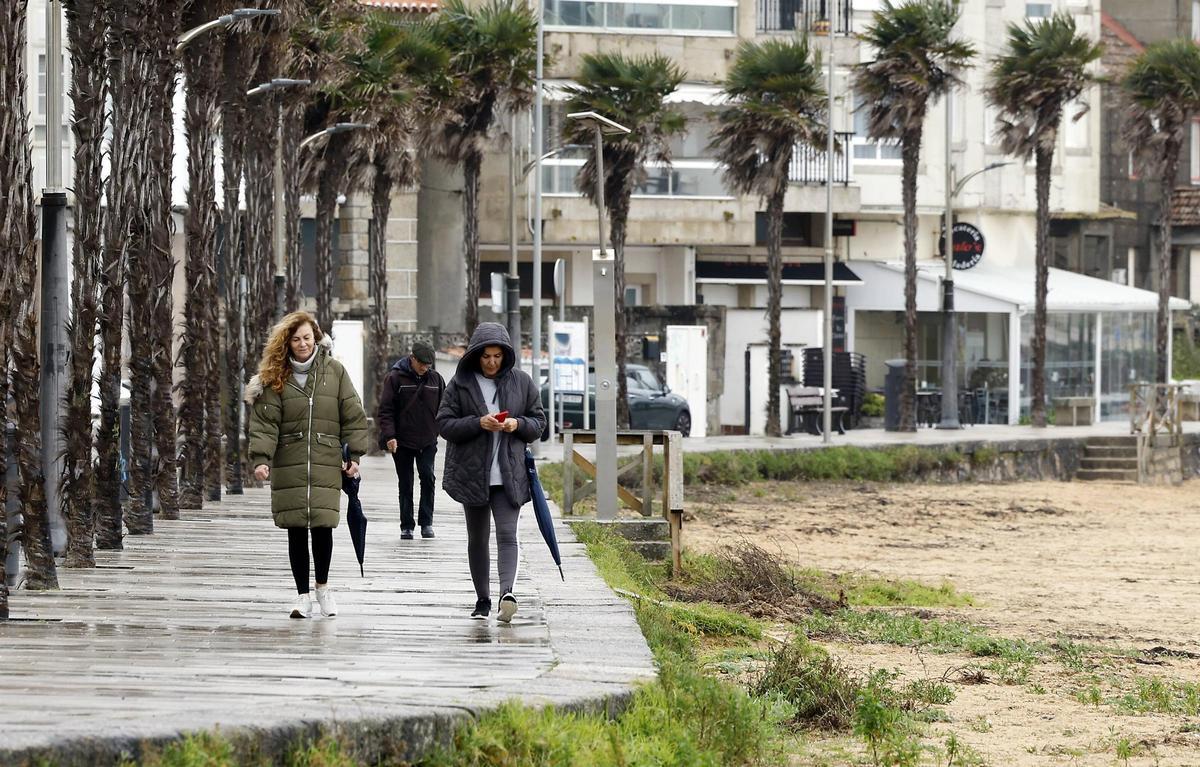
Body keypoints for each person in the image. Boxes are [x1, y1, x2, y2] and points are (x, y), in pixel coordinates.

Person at [247, 311, 368, 619]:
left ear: (317, 338)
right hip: (290, 461)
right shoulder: (275, 378)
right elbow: (265, 423)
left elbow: (352, 415)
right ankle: (302, 595)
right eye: (296, 339)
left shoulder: (335, 371)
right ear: (287, 342)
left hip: (327, 461)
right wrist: (262, 460)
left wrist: (353, 457)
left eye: (307, 338)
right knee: (296, 529)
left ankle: (323, 589)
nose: (302, 344)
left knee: (324, 526)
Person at [437, 322, 546, 622]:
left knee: (508, 534)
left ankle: (505, 595)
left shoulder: (522, 382)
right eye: (486, 356)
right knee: (478, 537)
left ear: (506, 355)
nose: (492, 362)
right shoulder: (459, 384)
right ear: (476, 355)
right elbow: (444, 424)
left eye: (498, 356)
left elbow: (539, 423)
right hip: (473, 474)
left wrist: (517, 425)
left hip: (509, 475)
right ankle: (482, 599)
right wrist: (477, 423)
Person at [377, 341, 445, 540]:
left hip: (428, 440)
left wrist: (440, 430)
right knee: (406, 482)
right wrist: (390, 436)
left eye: (429, 364)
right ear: (412, 358)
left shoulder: (436, 380)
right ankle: (406, 525)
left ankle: (427, 523)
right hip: (402, 441)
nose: (425, 367)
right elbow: (386, 410)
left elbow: (446, 407)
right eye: (422, 363)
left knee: (428, 478)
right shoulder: (395, 378)